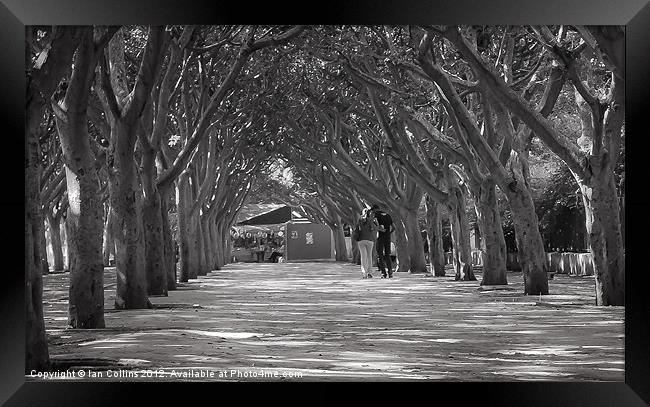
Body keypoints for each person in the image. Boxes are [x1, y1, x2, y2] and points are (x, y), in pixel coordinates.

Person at [371, 203, 395, 278]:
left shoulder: (376, 215)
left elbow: (373, 223)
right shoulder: (388, 216)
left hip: (380, 237)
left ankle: (383, 273)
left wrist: (380, 229)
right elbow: (394, 227)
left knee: (380, 256)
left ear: (375, 210)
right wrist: (389, 233)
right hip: (387, 237)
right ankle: (390, 272)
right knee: (388, 255)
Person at [356, 207, 379, 279]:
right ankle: (369, 272)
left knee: (363, 257)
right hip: (370, 240)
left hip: (361, 240)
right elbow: (374, 228)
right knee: (369, 257)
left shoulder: (359, 220)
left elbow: (357, 228)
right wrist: (376, 223)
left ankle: (364, 273)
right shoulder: (371, 220)